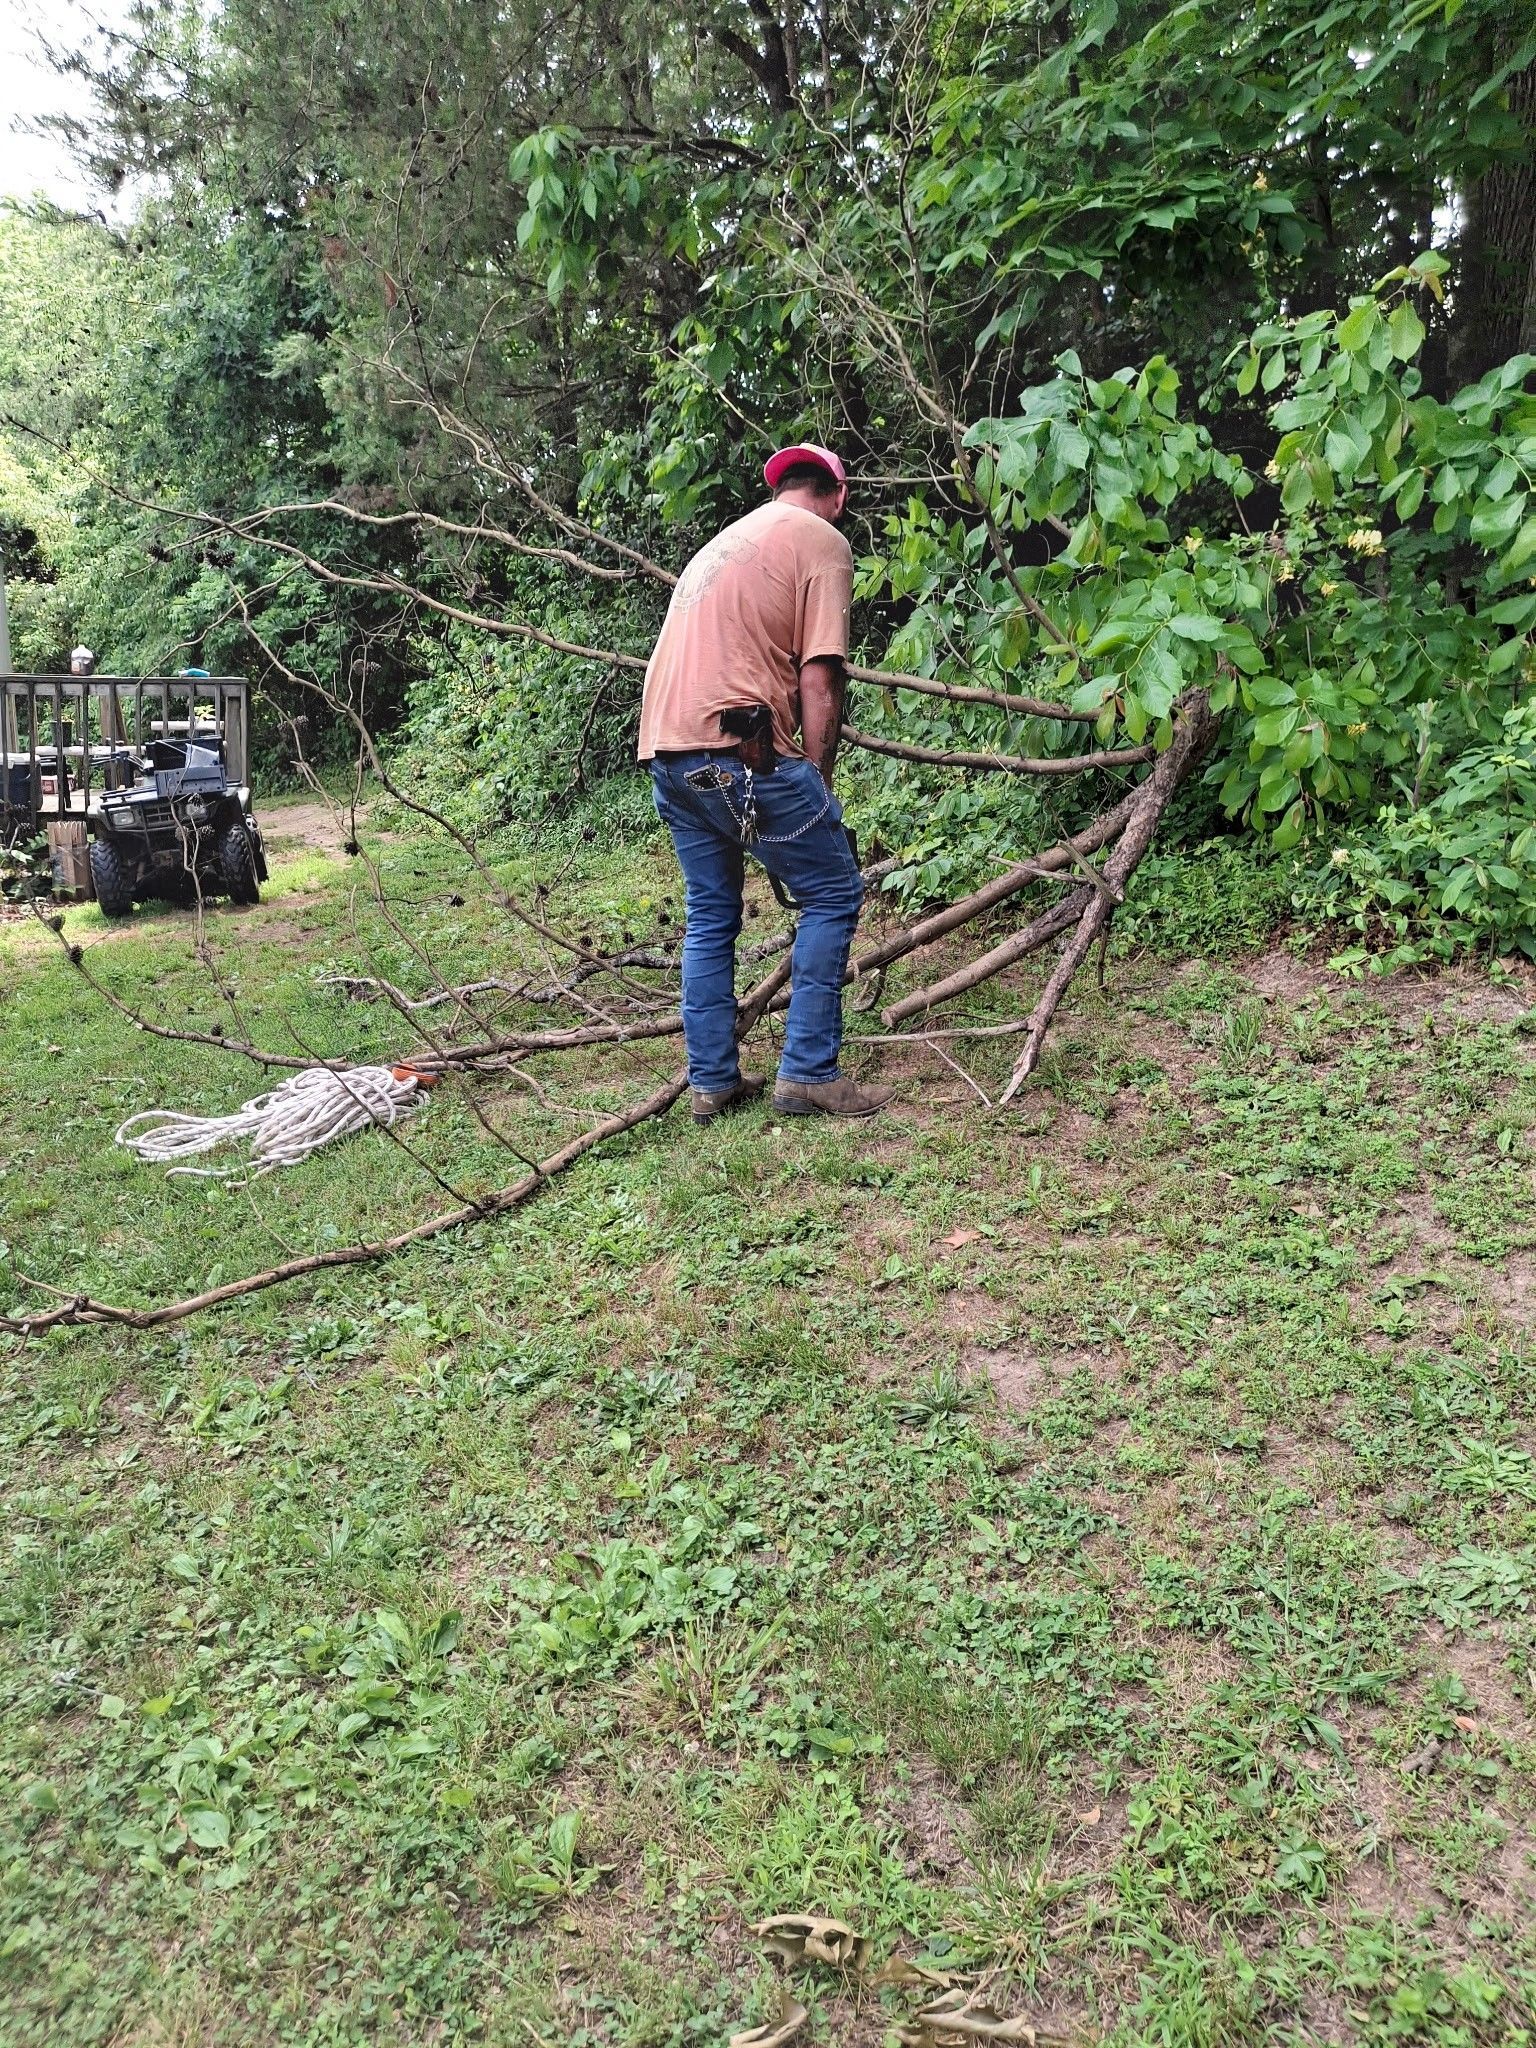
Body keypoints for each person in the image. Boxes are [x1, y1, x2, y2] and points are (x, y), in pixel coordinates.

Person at [640, 441, 893, 1125]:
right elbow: (819, 675)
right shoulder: (823, 541)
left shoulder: (729, 541)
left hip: (666, 749)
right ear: (837, 496)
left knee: (712, 915)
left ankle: (714, 1082)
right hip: (739, 748)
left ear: (780, 487)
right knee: (835, 891)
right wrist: (817, 774)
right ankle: (809, 1073)